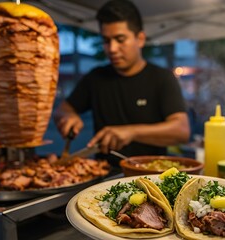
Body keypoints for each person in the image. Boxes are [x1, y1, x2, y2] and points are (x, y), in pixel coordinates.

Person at [53, 0, 190, 166]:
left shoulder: (161, 78)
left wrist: (131, 132)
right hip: (103, 177)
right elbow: (64, 110)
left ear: (140, 39)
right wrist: (69, 117)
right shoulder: (95, 78)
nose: (112, 48)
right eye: (106, 40)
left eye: (120, 39)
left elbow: (181, 131)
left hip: (150, 177)